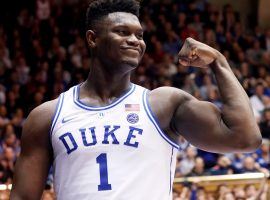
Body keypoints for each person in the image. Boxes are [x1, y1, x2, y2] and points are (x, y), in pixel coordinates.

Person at [10, 0, 262, 199]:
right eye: (122, 32)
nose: (134, 40)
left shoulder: (163, 104)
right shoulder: (48, 115)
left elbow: (245, 138)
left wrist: (219, 62)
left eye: (139, 35)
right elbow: (23, 196)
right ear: (92, 38)